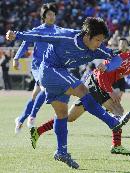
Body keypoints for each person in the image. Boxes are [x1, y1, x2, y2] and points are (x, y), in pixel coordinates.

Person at [6, 17, 130, 169]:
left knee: (62, 115)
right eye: (98, 40)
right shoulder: (66, 36)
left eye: (101, 40)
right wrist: (17, 35)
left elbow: (116, 58)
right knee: (82, 90)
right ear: (87, 35)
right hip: (49, 70)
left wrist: (109, 66)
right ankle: (112, 122)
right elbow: (40, 36)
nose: (100, 44)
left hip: (60, 74)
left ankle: (61, 151)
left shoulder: (96, 49)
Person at [29, 35, 130, 156]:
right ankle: (116, 146)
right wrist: (110, 90)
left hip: (97, 84)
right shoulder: (124, 57)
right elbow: (102, 73)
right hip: (96, 82)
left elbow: (115, 74)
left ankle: (38, 131)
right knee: (118, 111)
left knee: (70, 117)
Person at [14, 3, 59, 134]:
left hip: (51, 66)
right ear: (44, 17)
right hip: (38, 66)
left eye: (53, 14)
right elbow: (25, 42)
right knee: (45, 88)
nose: (52, 16)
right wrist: (16, 58)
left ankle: (21, 119)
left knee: (35, 95)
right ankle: (32, 117)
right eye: (49, 14)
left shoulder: (58, 31)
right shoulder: (38, 30)